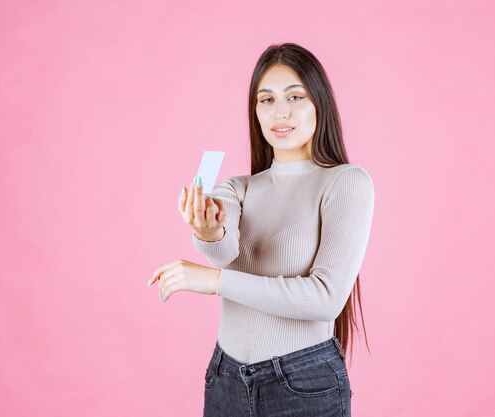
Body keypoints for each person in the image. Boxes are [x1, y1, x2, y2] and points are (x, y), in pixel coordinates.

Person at [149, 42, 374, 417]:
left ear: (320, 103)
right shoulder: (236, 188)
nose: (279, 112)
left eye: (295, 96)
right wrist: (207, 231)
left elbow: (326, 299)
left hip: (304, 385)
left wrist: (213, 281)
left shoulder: (345, 183)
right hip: (226, 381)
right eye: (265, 100)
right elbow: (225, 248)